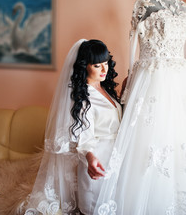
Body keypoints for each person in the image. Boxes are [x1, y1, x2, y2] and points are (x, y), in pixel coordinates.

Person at [94, 0, 186, 215]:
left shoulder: (183, 7)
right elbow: (132, 45)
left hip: (180, 81)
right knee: (147, 143)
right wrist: (131, 80)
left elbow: (184, 50)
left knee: (181, 141)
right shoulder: (143, 4)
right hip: (150, 79)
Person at [20, 39, 122, 215]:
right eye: (98, 65)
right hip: (97, 164)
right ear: (85, 66)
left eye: (106, 63)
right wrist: (90, 159)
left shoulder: (105, 90)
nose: (104, 70)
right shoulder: (84, 99)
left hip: (115, 160)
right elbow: (85, 137)